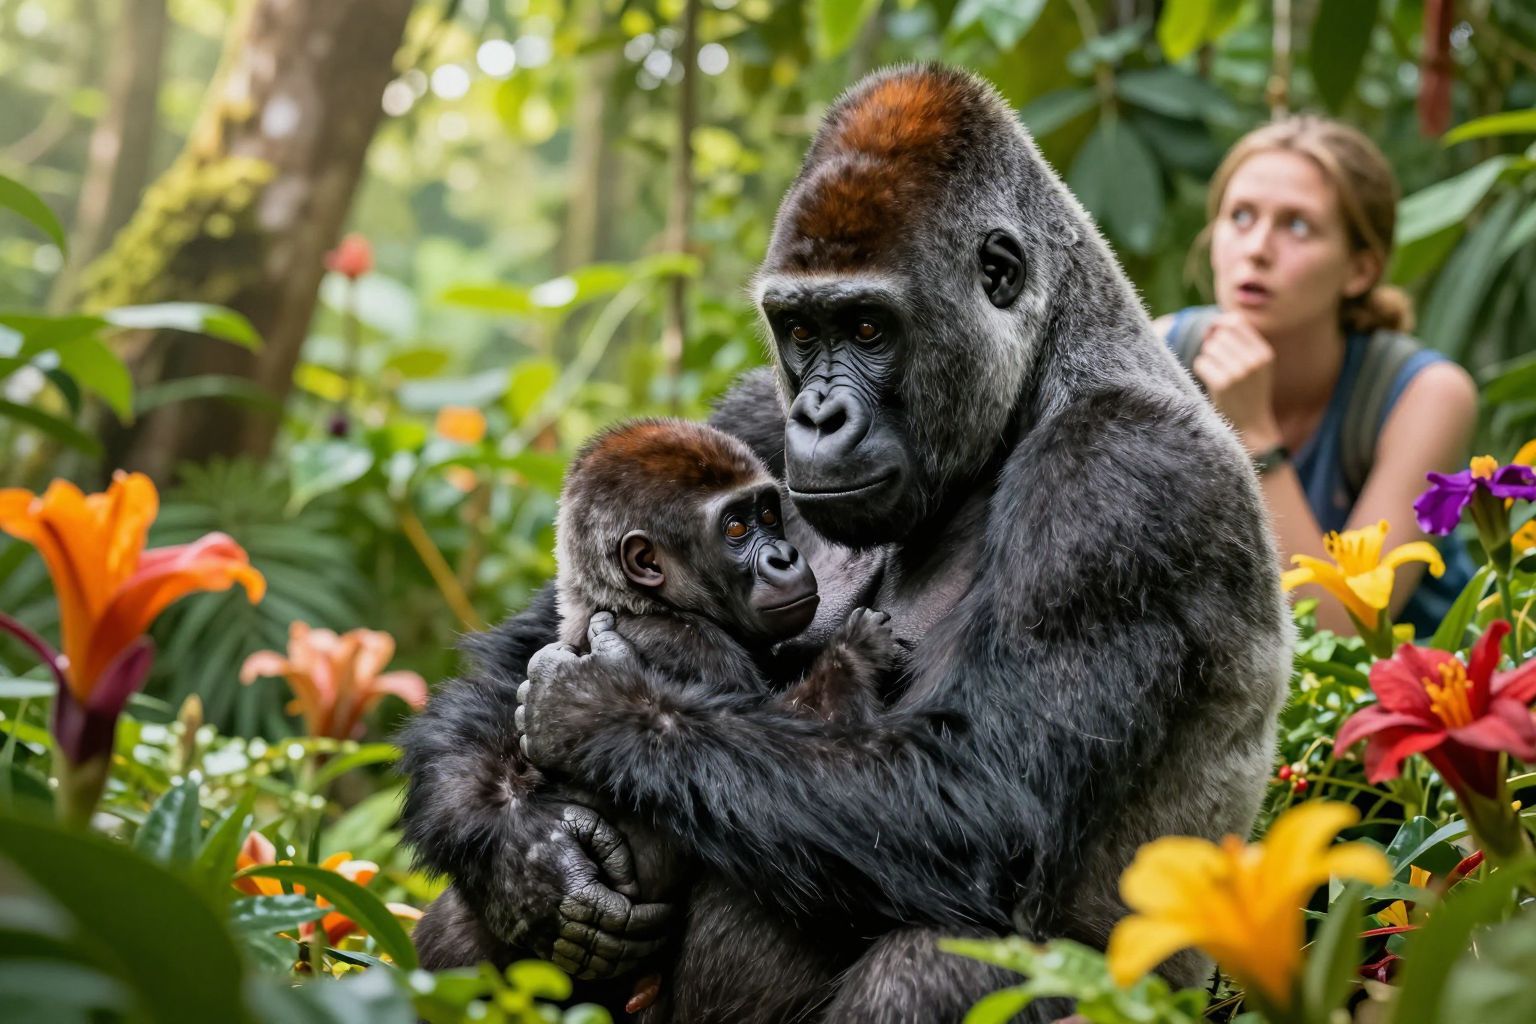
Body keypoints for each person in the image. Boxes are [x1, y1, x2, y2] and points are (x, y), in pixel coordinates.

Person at [1155, 116, 1478, 636]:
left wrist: (1255, 438)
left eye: (1297, 226)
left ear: (1360, 271)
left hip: (1404, 696)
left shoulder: (1424, 395)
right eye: (1239, 217)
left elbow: (1345, 630)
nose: (1256, 249)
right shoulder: (1162, 356)